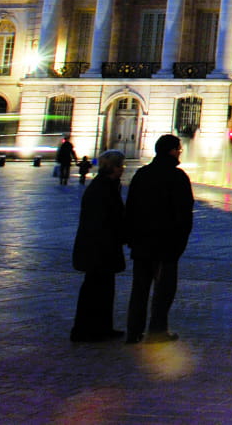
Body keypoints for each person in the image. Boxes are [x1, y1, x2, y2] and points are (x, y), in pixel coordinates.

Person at [125, 134, 194, 344]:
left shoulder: (142, 174)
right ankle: (157, 331)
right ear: (171, 151)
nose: (180, 152)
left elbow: (130, 209)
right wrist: (179, 245)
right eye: (178, 149)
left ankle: (133, 331)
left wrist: (132, 238)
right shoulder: (178, 177)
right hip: (166, 246)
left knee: (139, 290)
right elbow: (184, 214)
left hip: (142, 244)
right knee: (163, 291)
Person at [70, 150, 126, 342]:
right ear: (112, 167)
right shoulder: (103, 188)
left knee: (102, 288)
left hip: (100, 246)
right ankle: (86, 330)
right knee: (95, 288)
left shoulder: (105, 185)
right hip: (99, 247)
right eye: (120, 166)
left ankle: (101, 327)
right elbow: (107, 218)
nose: (122, 170)